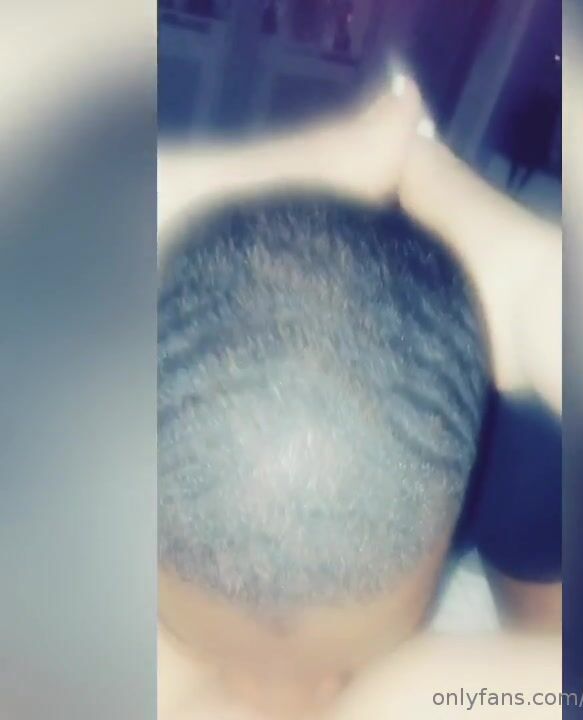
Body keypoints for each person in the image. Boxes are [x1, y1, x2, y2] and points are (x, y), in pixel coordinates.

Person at [158, 73, 562, 719]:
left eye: (343, 668)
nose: (286, 711)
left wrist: (534, 293)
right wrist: (315, 165)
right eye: (196, 641)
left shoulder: (518, 443)